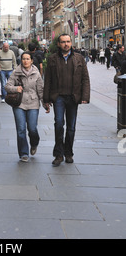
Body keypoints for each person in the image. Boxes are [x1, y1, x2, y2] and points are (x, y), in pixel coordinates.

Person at [43, 33, 90, 167]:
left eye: (68, 41)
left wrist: (85, 97)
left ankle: (68, 152)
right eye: (63, 42)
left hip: (73, 97)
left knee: (71, 127)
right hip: (58, 97)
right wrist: (46, 99)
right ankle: (58, 154)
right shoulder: (52, 59)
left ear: (71, 43)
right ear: (59, 44)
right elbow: (48, 80)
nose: (66, 44)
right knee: (58, 123)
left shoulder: (79, 58)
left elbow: (85, 79)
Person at [5, 51, 45, 162]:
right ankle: (23, 153)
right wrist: (15, 89)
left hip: (33, 103)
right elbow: (7, 86)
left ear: (32, 61)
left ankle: (34, 143)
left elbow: (40, 90)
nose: (25, 61)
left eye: (28, 59)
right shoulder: (16, 72)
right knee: (21, 129)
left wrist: (45, 104)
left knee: (32, 128)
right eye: (23, 59)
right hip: (19, 103)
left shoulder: (36, 73)